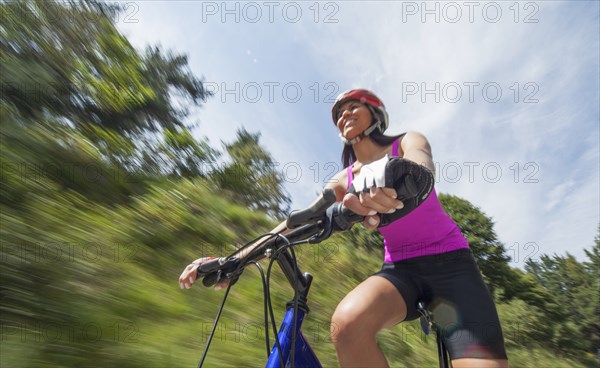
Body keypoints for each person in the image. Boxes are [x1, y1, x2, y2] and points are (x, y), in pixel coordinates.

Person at [179, 89, 509, 368]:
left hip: (452, 264)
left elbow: (421, 163)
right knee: (347, 325)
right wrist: (234, 260)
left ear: (376, 114)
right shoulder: (344, 179)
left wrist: (402, 178)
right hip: (400, 269)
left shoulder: (407, 140)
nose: (344, 114)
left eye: (353, 107)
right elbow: (298, 221)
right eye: (339, 113)